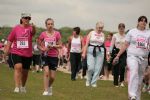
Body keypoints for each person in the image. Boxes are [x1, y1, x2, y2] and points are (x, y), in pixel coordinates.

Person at [113, 16, 150, 100]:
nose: (143, 22)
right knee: (134, 71)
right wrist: (118, 55)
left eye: (145, 21)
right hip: (132, 56)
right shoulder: (132, 32)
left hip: (144, 58)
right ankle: (132, 94)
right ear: (138, 22)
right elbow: (125, 45)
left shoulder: (148, 33)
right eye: (141, 21)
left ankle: (137, 97)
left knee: (140, 78)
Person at [4, 13, 36, 93]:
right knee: (18, 67)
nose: (27, 19)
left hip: (27, 54)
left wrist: (34, 27)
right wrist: (7, 50)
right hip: (16, 52)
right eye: (25, 18)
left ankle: (23, 86)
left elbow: (33, 33)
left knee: (25, 72)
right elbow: (10, 40)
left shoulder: (30, 28)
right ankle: (17, 87)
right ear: (21, 19)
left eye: (29, 18)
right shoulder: (16, 28)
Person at [37, 18, 62, 96]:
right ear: (46, 25)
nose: (50, 25)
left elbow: (60, 45)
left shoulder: (57, 34)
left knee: (52, 77)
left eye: (51, 24)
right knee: (46, 72)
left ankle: (49, 87)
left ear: (53, 25)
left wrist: (53, 45)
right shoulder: (43, 34)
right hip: (45, 55)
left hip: (54, 56)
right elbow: (37, 44)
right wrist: (42, 48)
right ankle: (45, 90)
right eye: (48, 24)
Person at [82, 21, 105, 87]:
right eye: (99, 28)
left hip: (100, 51)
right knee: (91, 67)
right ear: (96, 27)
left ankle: (94, 82)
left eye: (102, 28)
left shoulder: (103, 34)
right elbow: (86, 44)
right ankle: (88, 80)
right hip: (91, 50)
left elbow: (104, 45)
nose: (100, 29)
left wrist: (107, 54)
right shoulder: (91, 33)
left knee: (98, 68)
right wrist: (84, 53)